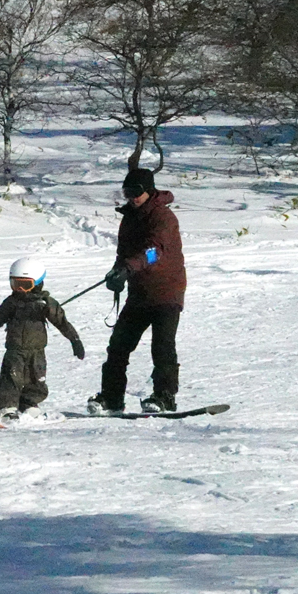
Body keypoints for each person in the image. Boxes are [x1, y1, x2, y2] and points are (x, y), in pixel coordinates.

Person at [88, 167, 186, 414]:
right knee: (118, 346)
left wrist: (128, 268)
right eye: (126, 192)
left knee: (162, 347)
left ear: (148, 190)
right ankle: (111, 398)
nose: (131, 197)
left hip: (166, 291)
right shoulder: (129, 217)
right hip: (139, 293)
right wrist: (117, 272)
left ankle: (164, 397)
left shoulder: (163, 218)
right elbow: (124, 253)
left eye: (135, 192)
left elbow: (154, 252)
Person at [0, 257, 86, 421]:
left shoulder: (45, 304)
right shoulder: (11, 303)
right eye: (16, 284)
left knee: (37, 379)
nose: (20, 289)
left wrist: (75, 340)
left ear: (37, 283)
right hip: (15, 350)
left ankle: (28, 404)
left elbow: (62, 323)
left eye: (26, 285)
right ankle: (6, 408)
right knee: (11, 377)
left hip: (37, 350)